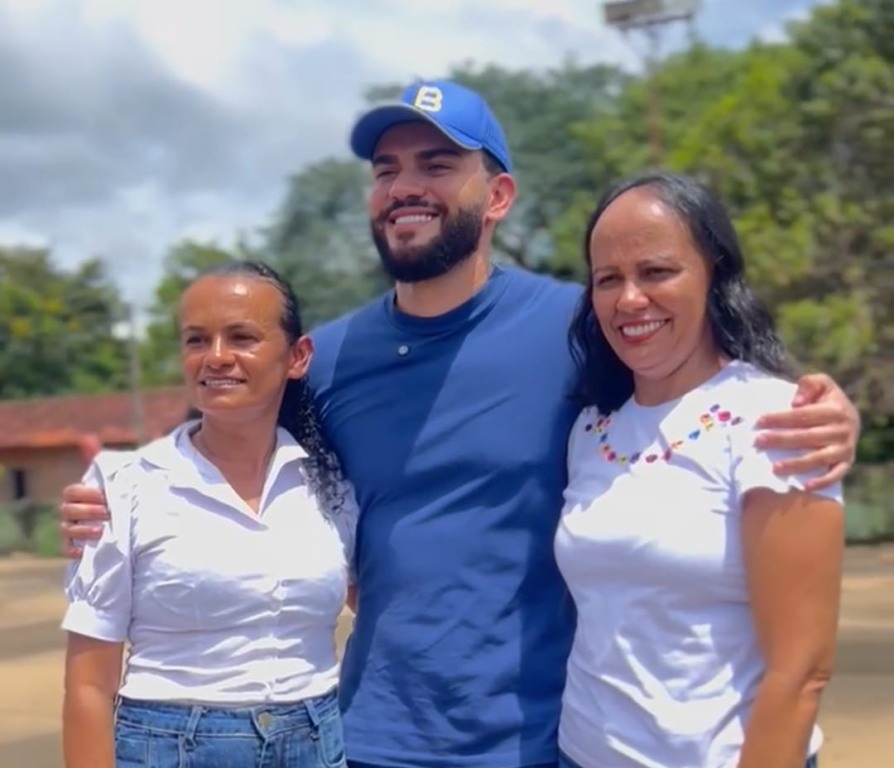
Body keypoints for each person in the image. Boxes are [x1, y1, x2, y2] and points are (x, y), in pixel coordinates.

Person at [59, 80, 861, 768]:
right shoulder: (325, 359)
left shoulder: (584, 328)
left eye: (438, 164)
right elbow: (217, 447)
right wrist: (108, 499)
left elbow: (694, 386)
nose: (406, 186)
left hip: (542, 739)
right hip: (369, 735)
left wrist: (824, 409)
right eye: (387, 170)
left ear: (498, 196)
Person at [556, 173, 844, 768]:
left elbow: (801, 672)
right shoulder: (590, 430)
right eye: (608, 279)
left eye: (656, 271)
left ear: (715, 274)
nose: (629, 299)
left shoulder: (777, 420)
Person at [61, 262, 356, 768]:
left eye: (242, 337)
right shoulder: (123, 486)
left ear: (298, 356)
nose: (216, 357)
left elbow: (379, 605)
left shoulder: (333, 486)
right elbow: (89, 685)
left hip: (315, 744)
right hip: (170, 748)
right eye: (197, 340)